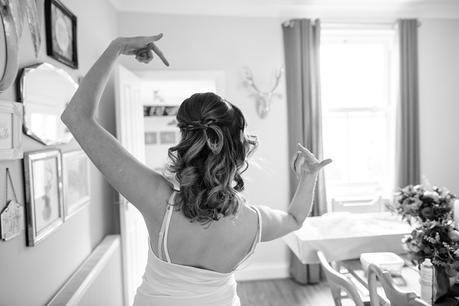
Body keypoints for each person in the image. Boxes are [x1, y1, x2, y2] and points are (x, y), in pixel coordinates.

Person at [61, 34, 332, 306]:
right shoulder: (252, 222)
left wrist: (117, 46)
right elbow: (296, 219)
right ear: (238, 152)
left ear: (187, 140)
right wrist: (309, 176)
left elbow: (76, 117)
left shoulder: (156, 199)